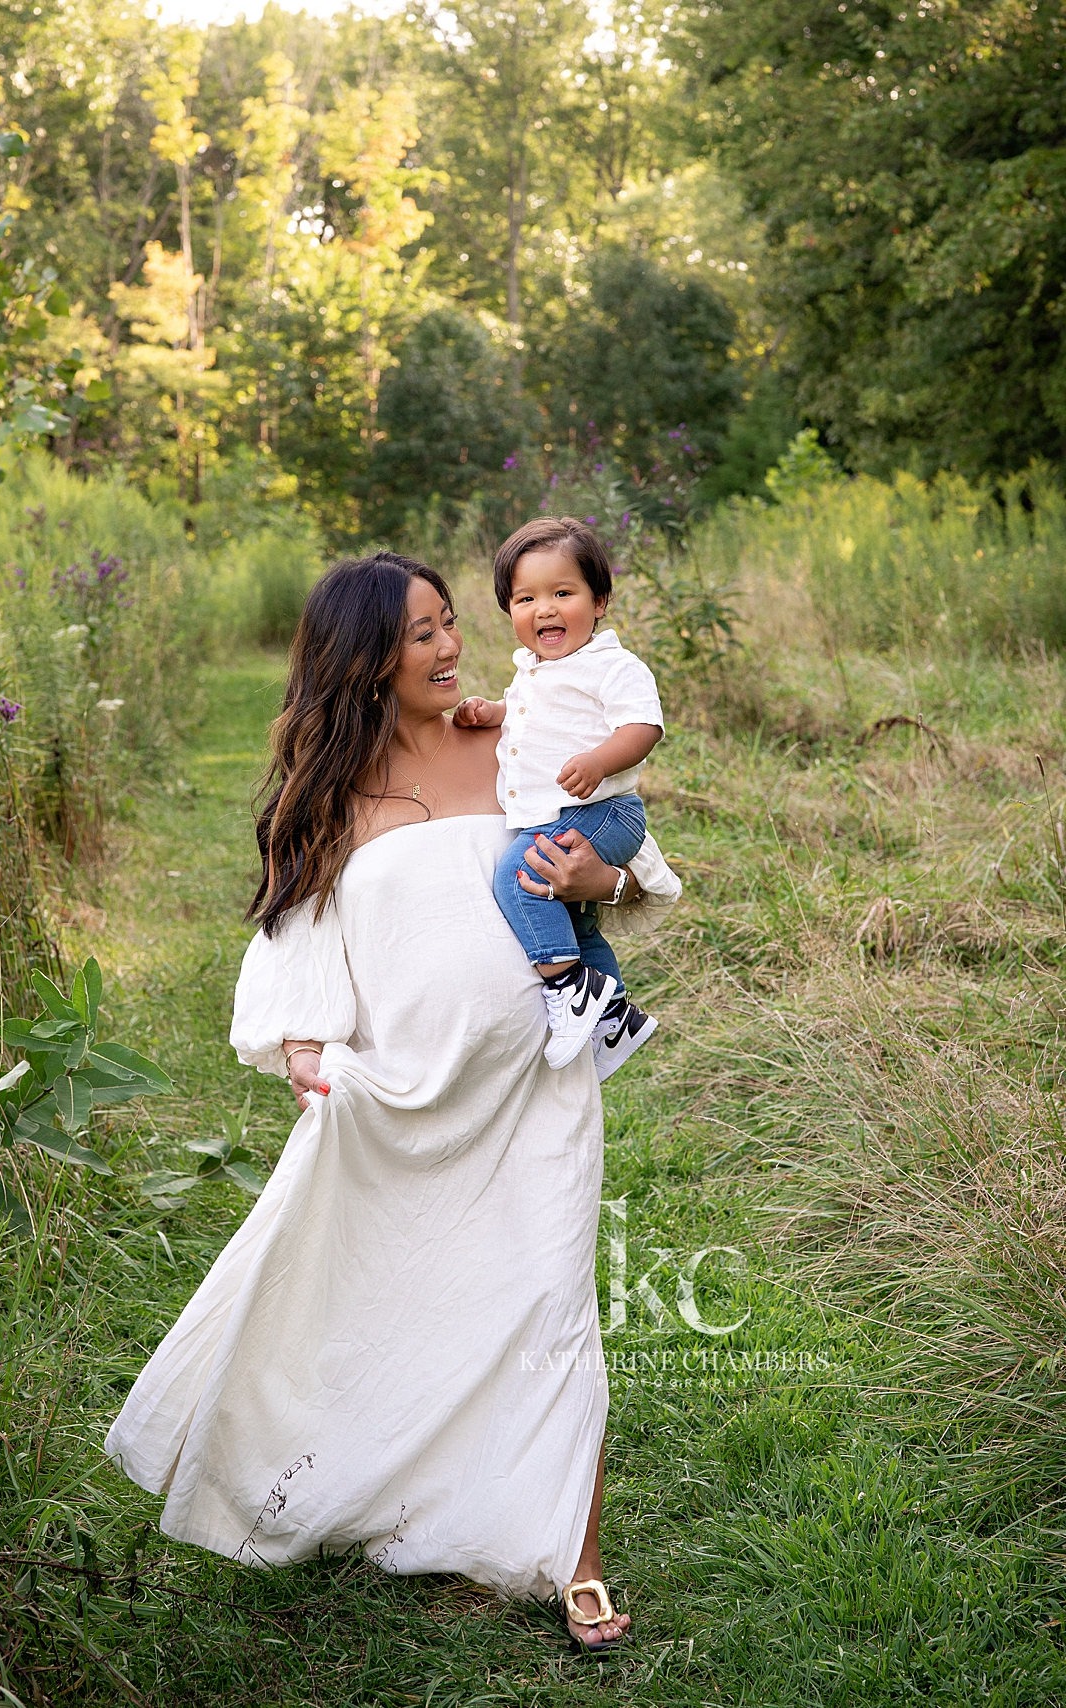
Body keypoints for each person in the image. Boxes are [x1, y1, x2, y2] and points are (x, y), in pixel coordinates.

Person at [105, 552, 646, 1653]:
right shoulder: (327, 794)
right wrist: (306, 1045)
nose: (450, 647)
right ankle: (375, 1472)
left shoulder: (510, 740)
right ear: (360, 661)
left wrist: (605, 881)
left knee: (551, 1300)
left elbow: (618, 856)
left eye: (450, 622)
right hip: (404, 1095)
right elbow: (298, 941)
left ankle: (572, 1554)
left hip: (536, 1082)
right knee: (388, 1299)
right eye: (419, 634)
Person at [455, 516, 664, 1078]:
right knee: (576, 920)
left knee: (518, 879)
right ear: (510, 612)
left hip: (602, 812)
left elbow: (644, 727)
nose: (544, 609)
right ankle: (616, 1015)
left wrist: (600, 761)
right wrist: (492, 714)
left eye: (562, 593)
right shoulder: (532, 671)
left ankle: (571, 988)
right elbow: (530, 721)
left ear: (600, 601)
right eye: (526, 598)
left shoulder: (611, 666)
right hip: (562, 813)